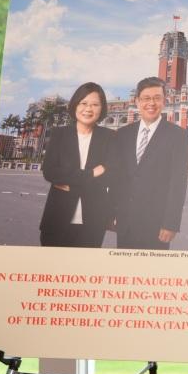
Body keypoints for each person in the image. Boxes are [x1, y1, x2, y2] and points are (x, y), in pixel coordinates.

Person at [110, 77, 188, 250]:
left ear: (164, 101)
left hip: (157, 225)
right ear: (137, 102)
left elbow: (178, 183)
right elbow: (117, 178)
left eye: (157, 98)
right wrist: (114, 212)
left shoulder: (178, 136)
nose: (151, 103)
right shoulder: (123, 134)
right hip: (125, 221)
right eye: (146, 98)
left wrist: (171, 223)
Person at [38, 81, 113, 248]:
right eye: (83, 103)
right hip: (57, 218)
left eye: (95, 104)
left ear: (102, 109)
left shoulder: (109, 137)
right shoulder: (60, 134)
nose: (88, 109)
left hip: (93, 221)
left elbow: (110, 174)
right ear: (75, 105)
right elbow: (50, 172)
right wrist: (91, 174)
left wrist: (68, 179)